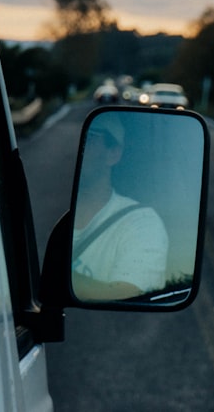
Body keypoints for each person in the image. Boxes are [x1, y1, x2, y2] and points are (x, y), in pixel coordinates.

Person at [71, 112, 168, 301]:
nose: (78, 147)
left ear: (113, 153)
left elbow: (129, 293)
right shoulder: (33, 209)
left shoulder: (141, 222)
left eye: (89, 138)